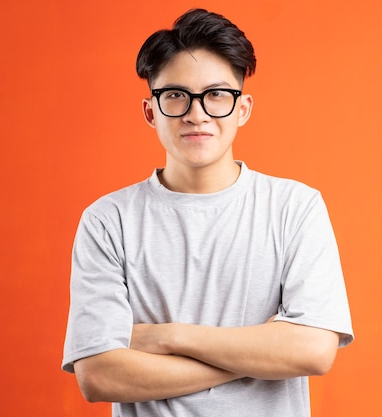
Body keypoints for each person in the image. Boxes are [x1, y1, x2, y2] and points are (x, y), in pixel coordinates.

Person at [62, 8, 353, 417]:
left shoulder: (295, 207)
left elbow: (313, 350)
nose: (196, 114)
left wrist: (167, 337)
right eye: (176, 95)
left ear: (242, 109)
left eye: (217, 94)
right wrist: (258, 355)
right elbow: (100, 377)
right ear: (151, 111)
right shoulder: (108, 220)